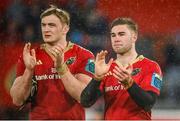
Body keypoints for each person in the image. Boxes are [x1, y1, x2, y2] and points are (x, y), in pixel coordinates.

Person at [10, 5, 95, 120]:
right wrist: (29, 71)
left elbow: (83, 96)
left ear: (65, 29)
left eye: (52, 25)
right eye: (43, 25)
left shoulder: (84, 55)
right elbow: (17, 99)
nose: (46, 29)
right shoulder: (30, 56)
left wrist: (61, 68)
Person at [80, 17, 163, 120]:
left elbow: (148, 104)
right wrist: (97, 78)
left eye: (121, 34)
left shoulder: (150, 66)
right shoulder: (107, 68)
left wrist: (129, 83)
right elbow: (85, 102)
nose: (116, 39)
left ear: (134, 37)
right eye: (113, 35)